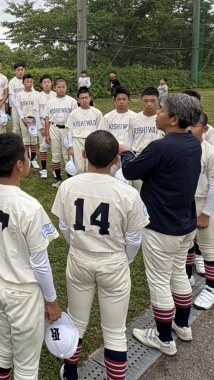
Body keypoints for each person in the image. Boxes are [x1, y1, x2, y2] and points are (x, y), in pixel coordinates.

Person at [52, 130, 149, 380]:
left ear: (84, 154)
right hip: (113, 259)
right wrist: (125, 259)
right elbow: (134, 238)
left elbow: (64, 226)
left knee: (76, 321)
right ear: (116, 159)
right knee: (114, 332)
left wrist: (77, 245)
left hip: (80, 257)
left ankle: (70, 372)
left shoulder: (68, 186)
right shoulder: (128, 194)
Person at [119, 93, 203, 356]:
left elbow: (130, 170)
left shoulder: (161, 146)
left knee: (158, 281)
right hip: (185, 223)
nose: (158, 113)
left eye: (163, 110)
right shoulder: (193, 142)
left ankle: (164, 338)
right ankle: (182, 325)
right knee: (178, 274)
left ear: (174, 119)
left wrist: (126, 153)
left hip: (161, 225)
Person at [0, 133, 62, 380]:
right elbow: (40, 262)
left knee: (2, 347)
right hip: (22, 291)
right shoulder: (30, 206)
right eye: (26, 156)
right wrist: (52, 301)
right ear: (19, 165)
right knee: (26, 364)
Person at [186, 113, 214, 311]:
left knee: (208, 247)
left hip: (204, 204)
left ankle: (211, 289)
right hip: (185, 204)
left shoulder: (211, 153)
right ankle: (187, 276)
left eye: (194, 126)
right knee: (186, 243)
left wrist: (206, 214)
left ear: (205, 129)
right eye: (187, 125)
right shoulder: (182, 148)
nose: (189, 129)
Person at [125, 88, 163, 191]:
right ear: (141, 100)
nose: (149, 104)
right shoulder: (134, 118)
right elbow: (130, 138)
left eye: (152, 101)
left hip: (157, 159)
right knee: (139, 190)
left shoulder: (162, 119)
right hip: (138, 157)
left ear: (158, 100)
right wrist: (127, 155)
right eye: (146, 101)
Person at [43, 78, 78, 188]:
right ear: (55, 88)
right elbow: (47, 119)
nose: (61, 89)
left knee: (68, 155)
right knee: (56, 154)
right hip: (54, 128)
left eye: (63, 87)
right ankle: (58, 178)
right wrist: (47, 134)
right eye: (59, 87)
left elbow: (75, 119)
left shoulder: (72, 101)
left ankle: (70, 179)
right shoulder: (50, 102)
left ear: (66, 88)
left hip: (67, 129)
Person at [99, 86, 136, 177]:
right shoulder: (107, 117)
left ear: (129, 100)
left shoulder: (135, 117)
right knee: (111, 179)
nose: (121, 102)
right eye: (119, 99)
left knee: (129, 180)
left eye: (124, 99)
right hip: (112, 154)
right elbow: (102, 135)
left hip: (129, 154)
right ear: (114, 100)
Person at [67, 88, 102, 174]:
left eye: (86, 97)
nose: (84, 100)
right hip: (77, 140)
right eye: (82, 98)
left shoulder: (97, 113)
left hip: (92, 141)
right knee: (79, 166)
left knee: (91, 164)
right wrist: (70, 147)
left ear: (90, 98)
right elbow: (70, 130)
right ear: (78, 100)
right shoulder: (73, 114)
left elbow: (100, 130)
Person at [17, 74, 40, 169]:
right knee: (26, 139)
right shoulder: (19, 95)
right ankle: (27, 159)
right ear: (23, 83)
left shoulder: (37, 94)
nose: (29, 84)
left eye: (31, 82)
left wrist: (36, 119)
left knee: (33, 139)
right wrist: (23, 119)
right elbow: (18, 108)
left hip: (34, 119)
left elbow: (38, 108)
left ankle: (33, 159)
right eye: (27, 82)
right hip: (24, 119)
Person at [37, 75, 56, 179]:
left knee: (54, 148)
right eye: (44, 82)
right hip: (42, 122)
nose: (46, 84)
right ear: (41, 85)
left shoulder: (55, 95)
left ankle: (55, 170)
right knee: (43, 147)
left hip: (53, 124)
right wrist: (41, 128)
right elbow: (36, 112)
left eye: (48, 82)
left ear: (51, 83)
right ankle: (44, 169)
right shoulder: (38, 96)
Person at [8, 62, 26, 136]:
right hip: (16, 107)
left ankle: (26, 142)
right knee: (16, 128)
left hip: (26, 107)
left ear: (25, 70)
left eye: (22, 69)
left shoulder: (27, 81)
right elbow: (11, 96)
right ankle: (15, 141)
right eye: (18, 70)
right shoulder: (12, 82)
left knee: (26, 126)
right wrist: (17, 106)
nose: (20, 72)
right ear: (14, 71)